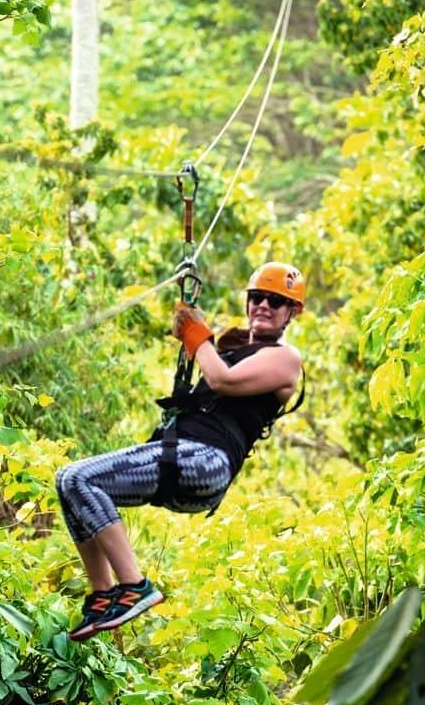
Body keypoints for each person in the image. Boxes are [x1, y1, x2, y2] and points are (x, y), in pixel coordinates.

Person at [54, 262, 307, 641]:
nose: (263, 306)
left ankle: (136, 586)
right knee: (68, 482)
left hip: (205, 460)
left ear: (293, 311)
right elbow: (213, 370)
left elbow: (221, 380)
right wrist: (196, 333)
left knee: (80, 478)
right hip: (183, 458)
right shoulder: (233, 348)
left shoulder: (286, 359)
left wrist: (195, 333)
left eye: (276, 301)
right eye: (257, 297)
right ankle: (104, 596)